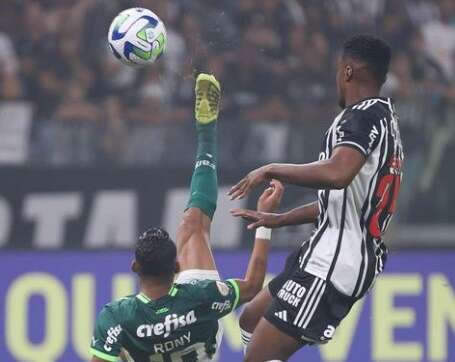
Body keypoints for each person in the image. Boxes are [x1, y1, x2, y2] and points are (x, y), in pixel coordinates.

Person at [229, 34, 404, 361]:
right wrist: (279, 220)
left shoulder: (362, 116)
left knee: (258, 357)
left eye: (339, 71)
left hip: (334, 262)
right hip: (322, 251)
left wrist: (272, 168)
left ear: (348, 72)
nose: (337, 79)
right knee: (250, 319)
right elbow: (345, 201)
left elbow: (338, 175)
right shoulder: (383, 119)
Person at [90, 74, 284, 362]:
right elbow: (253, 284)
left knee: (192, 226)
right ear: (177, 267)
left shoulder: (117, 319)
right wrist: (265, 220)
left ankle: (206, 129)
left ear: (135, 266)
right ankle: (207, 130)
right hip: (195, 317)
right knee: (194, 226)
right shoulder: (201, 296)